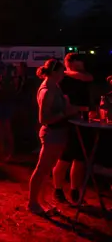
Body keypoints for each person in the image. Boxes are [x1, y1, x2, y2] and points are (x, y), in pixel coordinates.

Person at [28, 59, 78, 215]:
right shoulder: (47, 91)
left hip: (58, 133)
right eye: (62, 71)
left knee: (46, 170)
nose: (63, 74)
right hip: (52, 133)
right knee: (41, 169)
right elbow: (43, 118)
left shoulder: (54, 86)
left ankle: (41, 201)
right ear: (55, 72)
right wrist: (65, 113)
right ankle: (33, 203)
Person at [52, 53, 95, 204]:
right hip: (68, 122)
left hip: (83, 121)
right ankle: (58, 189)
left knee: (80, 158)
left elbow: (88, 77)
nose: (83, 65)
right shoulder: (64, 79)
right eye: (79, 62)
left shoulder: (80, 76)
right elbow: (64, 103)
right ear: (72, 62)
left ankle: (74, 190)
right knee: (65, 157)